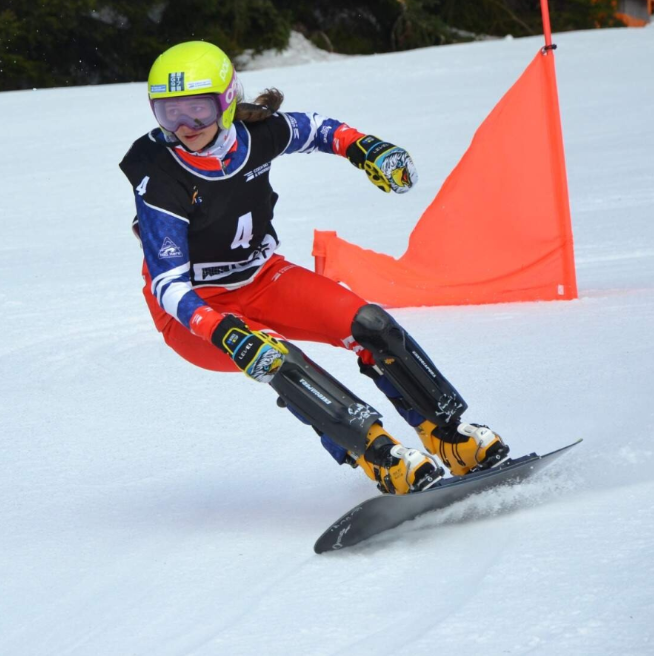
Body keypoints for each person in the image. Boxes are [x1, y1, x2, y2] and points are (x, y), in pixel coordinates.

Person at [120, 40, 509, 495]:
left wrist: (366, 149)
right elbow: (168, 283)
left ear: (227, 102)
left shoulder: (255, 135)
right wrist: (221, 329)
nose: (185, 126)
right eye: (169, 114)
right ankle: (379, 456)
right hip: (192, 310)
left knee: (371, 325)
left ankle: (447, 436)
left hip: (263, 278)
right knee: (275, 357)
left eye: (199, 111)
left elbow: (319, 129)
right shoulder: (158, 170)